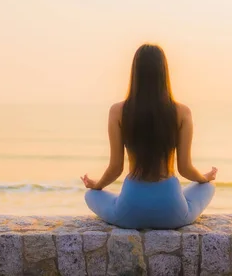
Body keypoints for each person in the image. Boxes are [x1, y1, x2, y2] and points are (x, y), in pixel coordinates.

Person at [81, 44, 217, 229]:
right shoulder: (182, 112)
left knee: (90, 196)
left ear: (135, 72)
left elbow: (115, 168)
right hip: (172, 211)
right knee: (207, 187)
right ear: (164, 72)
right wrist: (204, 178)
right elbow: (185, 168)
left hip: (130, 210)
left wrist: (97, 185)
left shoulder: (118, 111)